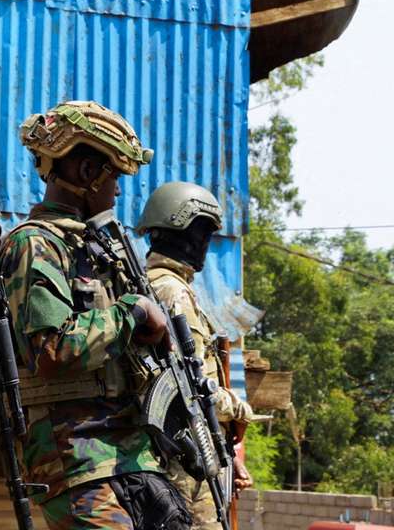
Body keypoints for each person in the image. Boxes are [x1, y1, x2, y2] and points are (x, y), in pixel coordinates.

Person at [0, 100, 192, 530]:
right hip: (75, 457)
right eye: (115, 177)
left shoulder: (98, 250)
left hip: (130, 451)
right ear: (87, 174)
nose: (118, 191)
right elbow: (50, 349)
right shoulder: (35, 245)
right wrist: (134, 313)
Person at [136, 182, 259, 529]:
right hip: (182, 459)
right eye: (202, 231)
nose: (206, 243)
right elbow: (189, 386)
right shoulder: (171, 292)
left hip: (187, 450)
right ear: (180, 233)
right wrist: (239, 408)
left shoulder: (159, 285)